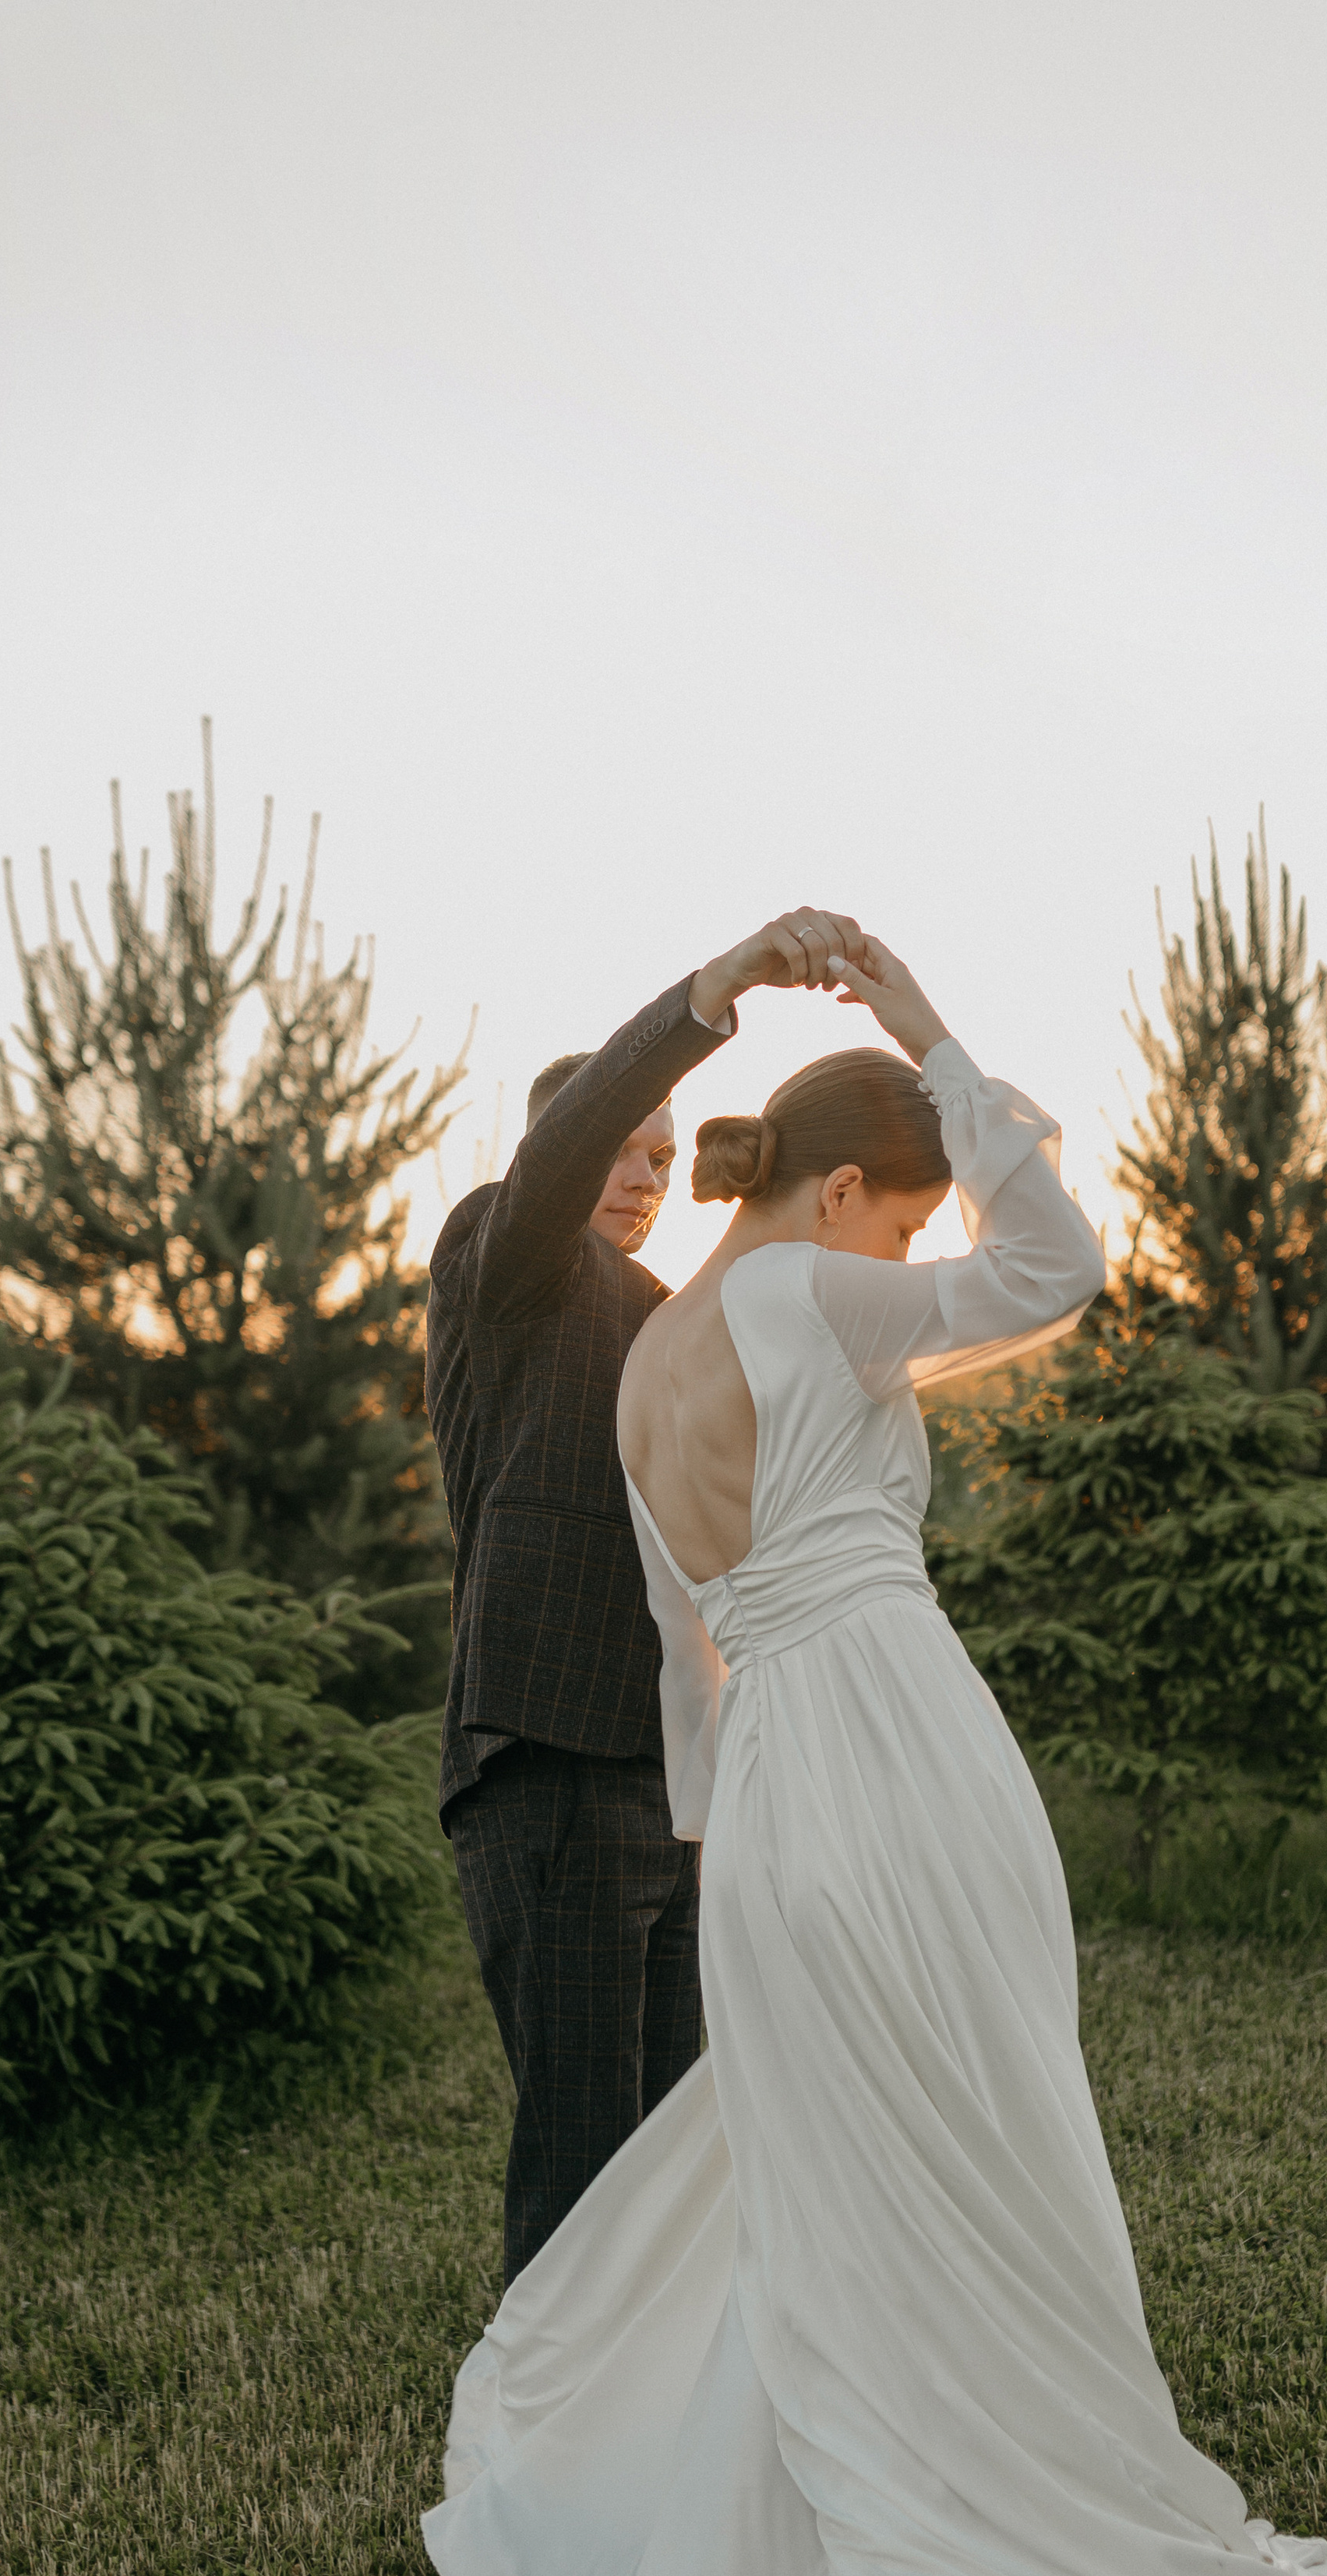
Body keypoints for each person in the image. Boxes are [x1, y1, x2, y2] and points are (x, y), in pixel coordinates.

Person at [423, 932, 1327, 2576]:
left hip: (772, 1780)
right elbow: (1060, 1267)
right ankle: (995, 2513)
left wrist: (734, 1841)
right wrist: (930, 1032)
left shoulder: (650, 1369)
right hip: (894, 1751)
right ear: (844, 1186)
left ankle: (781, 2470)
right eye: (893, 1217)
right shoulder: (796, 1294)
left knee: (820, 2154)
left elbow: (695, 1663)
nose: (893, 1256)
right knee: (986, 2110)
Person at [425, 909, 873, 2285]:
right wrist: (713, 995)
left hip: (680, 1776)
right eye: (621, 1150)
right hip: (548, 1751)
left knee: (680, 2142)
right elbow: (559, 1163)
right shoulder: (506, 1259)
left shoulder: (674, 1309)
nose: (640, 1176)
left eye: (665, 1161)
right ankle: (538, 2462)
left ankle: (657, 2443)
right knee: (586, 2150)